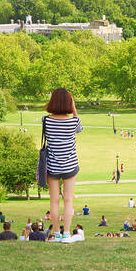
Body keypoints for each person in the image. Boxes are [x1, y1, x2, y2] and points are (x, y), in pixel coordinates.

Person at [44, 87, 82, 239]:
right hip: (70, 165)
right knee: (68, 200)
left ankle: (56, 234)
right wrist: (74, 108)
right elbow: (79, 129)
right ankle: (66, 233)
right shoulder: (73, 120)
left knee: (54, 201)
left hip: (52, 165)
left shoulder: (46, 120)